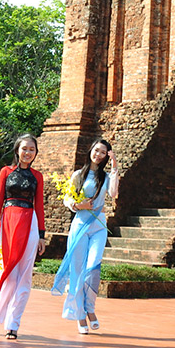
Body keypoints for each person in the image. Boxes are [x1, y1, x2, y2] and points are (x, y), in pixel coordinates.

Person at [0, 133, 46, 339]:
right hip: (8, 222)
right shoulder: (6, 172)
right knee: (9, 272)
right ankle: (3, 311)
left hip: (29, 223)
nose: (28, 153)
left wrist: (41, 235)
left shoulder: (37, 176)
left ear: (35, 153)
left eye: (32, 149)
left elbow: (39, 206)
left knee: (24, 275)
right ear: (17, 150)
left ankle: (13, 324)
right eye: (24, 148)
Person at [51, 137, 119, 334]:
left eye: (103, 153)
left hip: (98, 226)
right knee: (78, 270)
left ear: (107, 156)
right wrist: (78, 205)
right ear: (91, 150)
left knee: (93, 267)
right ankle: (80, 315)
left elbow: (113, 194)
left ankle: (90, 308)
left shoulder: (106, 177)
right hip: (80, 225)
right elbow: (67, 198)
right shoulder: (78, 175)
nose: (98, 155)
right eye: (96, 150)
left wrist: (115, 167)